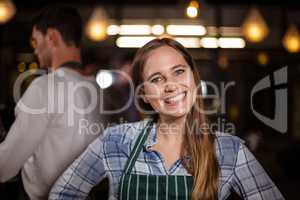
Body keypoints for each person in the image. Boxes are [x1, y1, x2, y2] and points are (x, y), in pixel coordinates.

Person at [49, 38, 284, 200]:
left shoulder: (229, 151)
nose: (171, 85)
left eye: (179, 71)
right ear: (144, 95)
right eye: (157, 79)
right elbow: (63, 193)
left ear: (194, 79)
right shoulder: (116, 141)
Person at [0, 6, 102, 200]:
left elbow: (6, 166)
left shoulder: (44, 87)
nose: (35, 49)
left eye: (36, 41)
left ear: (52, 37)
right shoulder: (100, 91)